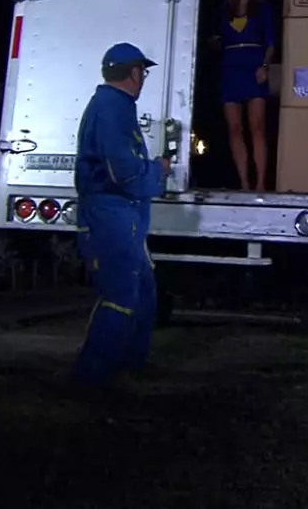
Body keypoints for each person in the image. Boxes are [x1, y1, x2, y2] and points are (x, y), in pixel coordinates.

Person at [71, 42, 172, 387]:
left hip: (123, 214)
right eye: (143, 71)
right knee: (121, 295)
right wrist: (157, 170)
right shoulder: (112, 109)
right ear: (134, 73)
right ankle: (91, 377)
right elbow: (124, 172)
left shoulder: (115, 106)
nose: (143, 78)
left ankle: (130, 365)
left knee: (143, 289)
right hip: (110, 215)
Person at [209, 0, 276, 193]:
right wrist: (214, 42)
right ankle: (244, 183)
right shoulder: (224, 9)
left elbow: (271, 43)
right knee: (235, 128)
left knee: (257, 127)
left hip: (254, 65)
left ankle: (260, 183)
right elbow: (217, 39)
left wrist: (265, 66)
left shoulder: (262, 8)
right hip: (230, 67)